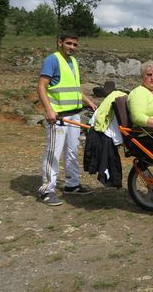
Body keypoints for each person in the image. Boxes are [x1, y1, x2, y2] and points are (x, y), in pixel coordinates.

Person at [37, 31, 97, 206]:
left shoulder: (73, 62)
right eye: (69, 43)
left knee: (72, 149)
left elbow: (74, 88)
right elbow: (41, 86)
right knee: (53, 152)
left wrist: (89, 102)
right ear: (60, 42)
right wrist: (48, 110)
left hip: (74, 114)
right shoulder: (52, 60)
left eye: (75, 44)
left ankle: (72, 184)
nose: (72, 47)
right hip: (58, 116)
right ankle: (46, 190)